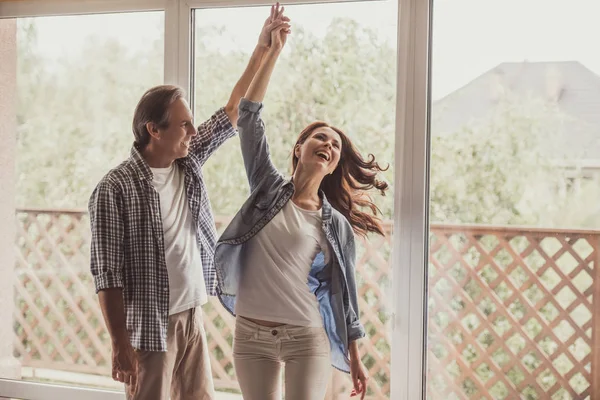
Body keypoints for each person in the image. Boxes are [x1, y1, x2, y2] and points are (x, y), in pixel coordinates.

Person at [88, 4, 290, 400]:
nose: (193, 131)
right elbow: (107, 275)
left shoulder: (188, 160)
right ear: (154, 130)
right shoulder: (114, 188)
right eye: (184, 124)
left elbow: (233, 112)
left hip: (191, 315)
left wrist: (264, 50)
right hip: (148, 327)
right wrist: (119, 344)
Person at [213, 18, 389, 400]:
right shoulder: (266, 187)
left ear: (333, 163)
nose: (328, 144)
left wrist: (355, 356)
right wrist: (272, 51)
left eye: (335, 146)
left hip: (305, 335)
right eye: (320, 137)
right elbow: (248, 116)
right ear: (300, 148)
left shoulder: (335, 226)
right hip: (251, 333)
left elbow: (345, 295)